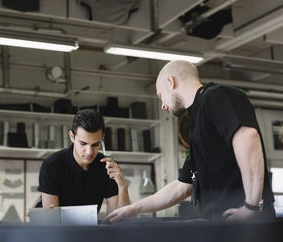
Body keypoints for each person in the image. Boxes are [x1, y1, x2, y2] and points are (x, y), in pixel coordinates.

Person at [103, 60, 275, 222]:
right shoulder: (198, 125)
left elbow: (248, 137)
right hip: (223, 224)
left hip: (247, 224)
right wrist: (134, 209)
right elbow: (182, 186)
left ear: (170, 82)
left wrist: (252, 206)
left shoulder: (217, 96)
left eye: (160, 95)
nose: (162, 105)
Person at [37, 110, 130, 215]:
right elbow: (51, 221)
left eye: (95, 144)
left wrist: (122, 186)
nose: (89, 152)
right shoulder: (52, 165)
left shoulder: (109, 168)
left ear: (102, 139)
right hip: (54, 228)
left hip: (87, 228)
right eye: (83, 143)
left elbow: (117, 220)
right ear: (72, 136)